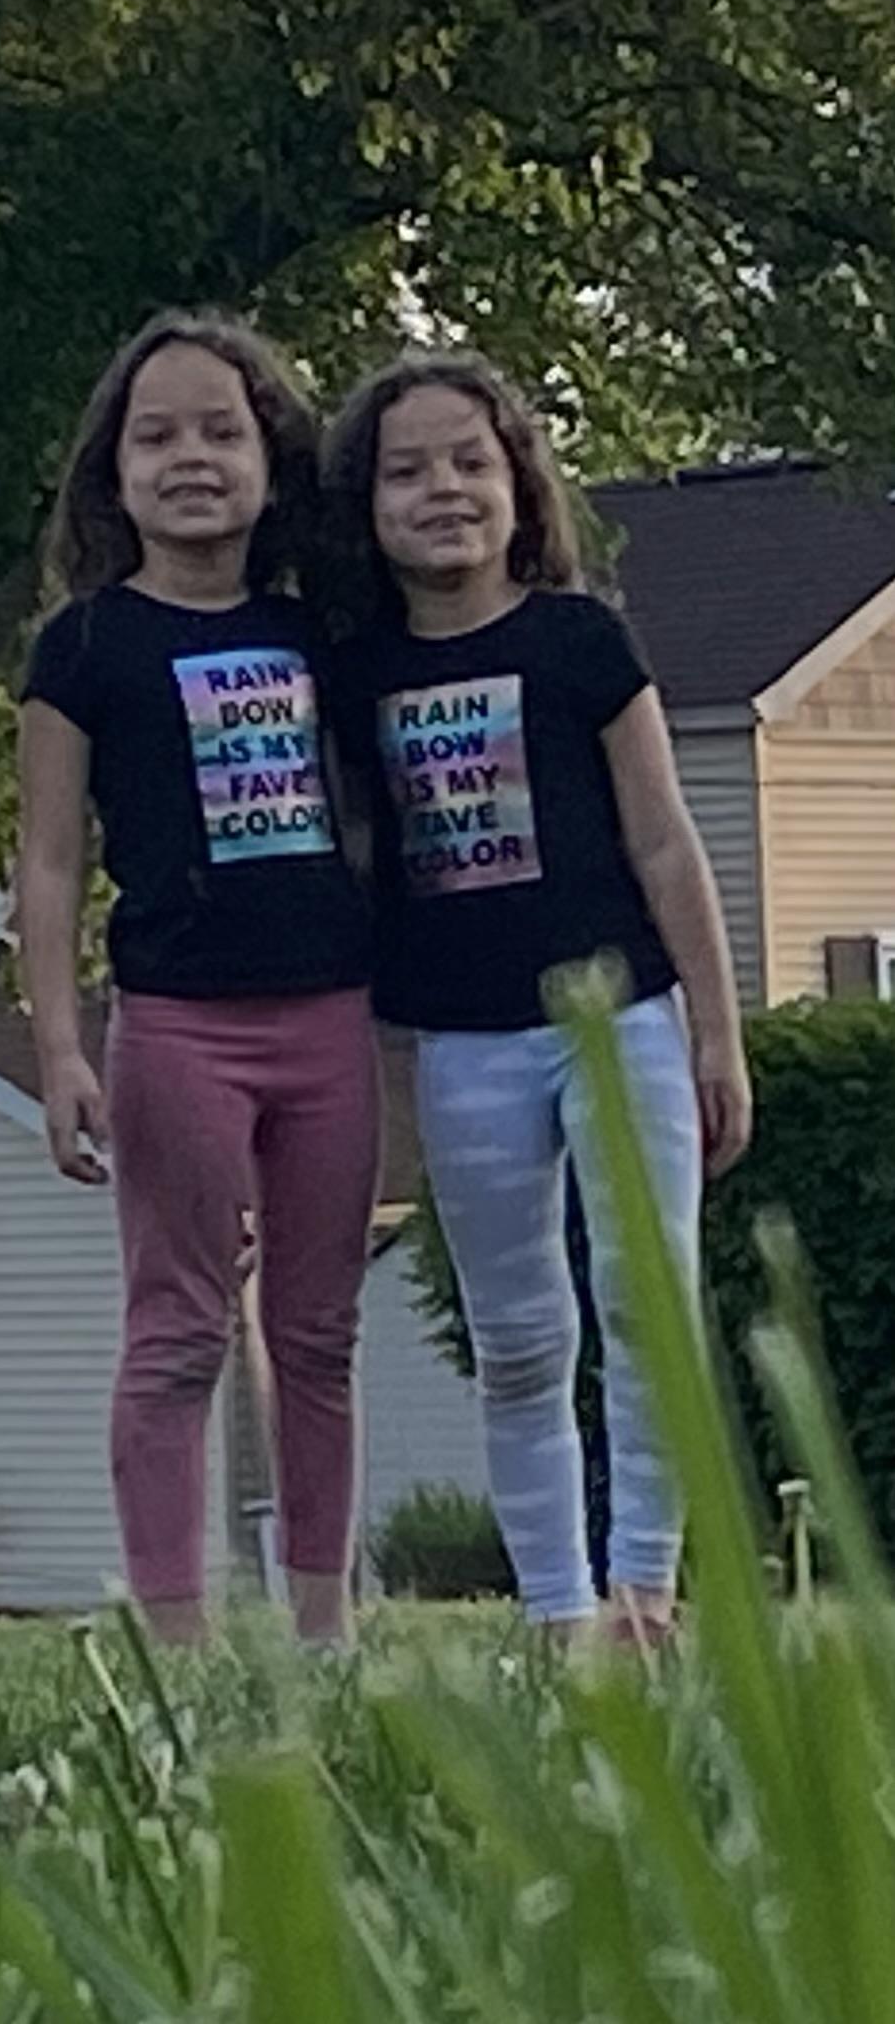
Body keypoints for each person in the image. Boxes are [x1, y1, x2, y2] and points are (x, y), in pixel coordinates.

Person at [322, 349, 752, 1642]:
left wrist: (717, 1034)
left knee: (645, 1302)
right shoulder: (357, 673)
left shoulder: (581, 642)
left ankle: (646, 1586)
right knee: (518, 1336)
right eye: (408, 471)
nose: (443, 490)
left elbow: (666, 842)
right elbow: (352, 860)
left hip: (621, 1018)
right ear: (367, 506)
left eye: (472, 461)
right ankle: (559, 1611)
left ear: (520, 484)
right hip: (465, 1039)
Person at [17, 310, 378, 1647]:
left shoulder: (322, 631)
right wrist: (61, 1048)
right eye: (155, 437)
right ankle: (178, 1635)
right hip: (175, 1026)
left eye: (223, 433)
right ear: (112, 476)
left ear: (272, 465)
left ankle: (325, 1626)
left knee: (317, 1333)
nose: (191, 460)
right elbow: (49, 862)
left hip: (328, 1016)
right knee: (178, 1331)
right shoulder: (84, 647)